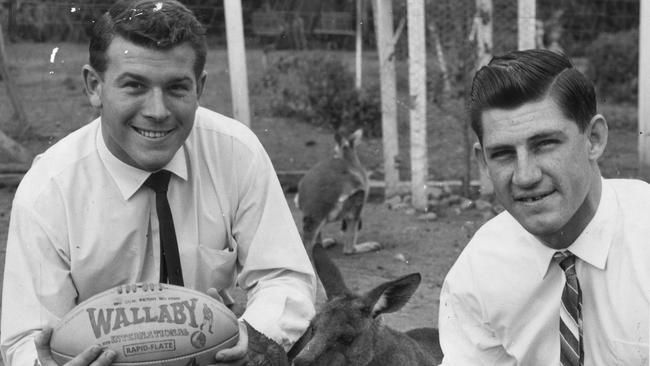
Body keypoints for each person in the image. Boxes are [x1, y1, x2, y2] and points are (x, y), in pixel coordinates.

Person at [0, 1, 316, 365]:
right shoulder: (48, 190)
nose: (158, 111)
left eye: (177, 88)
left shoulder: (235, 152)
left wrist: (253, 336)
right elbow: (28, 335)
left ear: (199, 87)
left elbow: (284, 275)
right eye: (134, 86)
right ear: (94, 87)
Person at [438, 49, 649, 365]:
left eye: (545, 144)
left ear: (594, 139)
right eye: (503, 154)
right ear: (483, 162)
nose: (525, 176)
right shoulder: (479, 269)